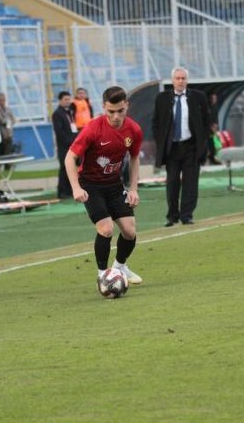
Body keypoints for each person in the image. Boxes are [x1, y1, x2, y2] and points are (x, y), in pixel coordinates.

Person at [64, 86, 144, 290]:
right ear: (103, 108)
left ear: (127, 105)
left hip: (114, 185)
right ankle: (103, 275)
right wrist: (75, 188)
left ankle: (119, 267)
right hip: (91, 186)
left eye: (120, 110)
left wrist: (133, 189)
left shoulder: (133, 130)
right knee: (106, 229)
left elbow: (134, 158)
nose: (116, 116)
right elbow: (70, 157)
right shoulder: (93, 128)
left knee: (129, 231)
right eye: (111, 111)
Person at [152, 67, 211, 226]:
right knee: (172, 183)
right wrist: (161, 142)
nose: (180, 81)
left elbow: (206, 121)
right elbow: (156, 123)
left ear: (187, 80)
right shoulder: (162, 98)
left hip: (191, 146)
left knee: (191, 183)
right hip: (172, 148)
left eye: (183, 78)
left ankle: (187, 215)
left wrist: (203, 141)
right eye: (177, 78)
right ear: (172, 80)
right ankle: (172, 216)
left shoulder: (198, 97)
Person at [52, 90, 77, 199]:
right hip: (64, 146)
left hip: (72, 144)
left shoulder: (69, 112)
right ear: (60, 100)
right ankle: (61, 191)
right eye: (65, 99)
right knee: (64, 168)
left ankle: (70, 190)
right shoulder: (57, 114)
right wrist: (70, 142)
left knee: (71, 167)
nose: (68, 101)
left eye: (69, 99)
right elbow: (59, 132)